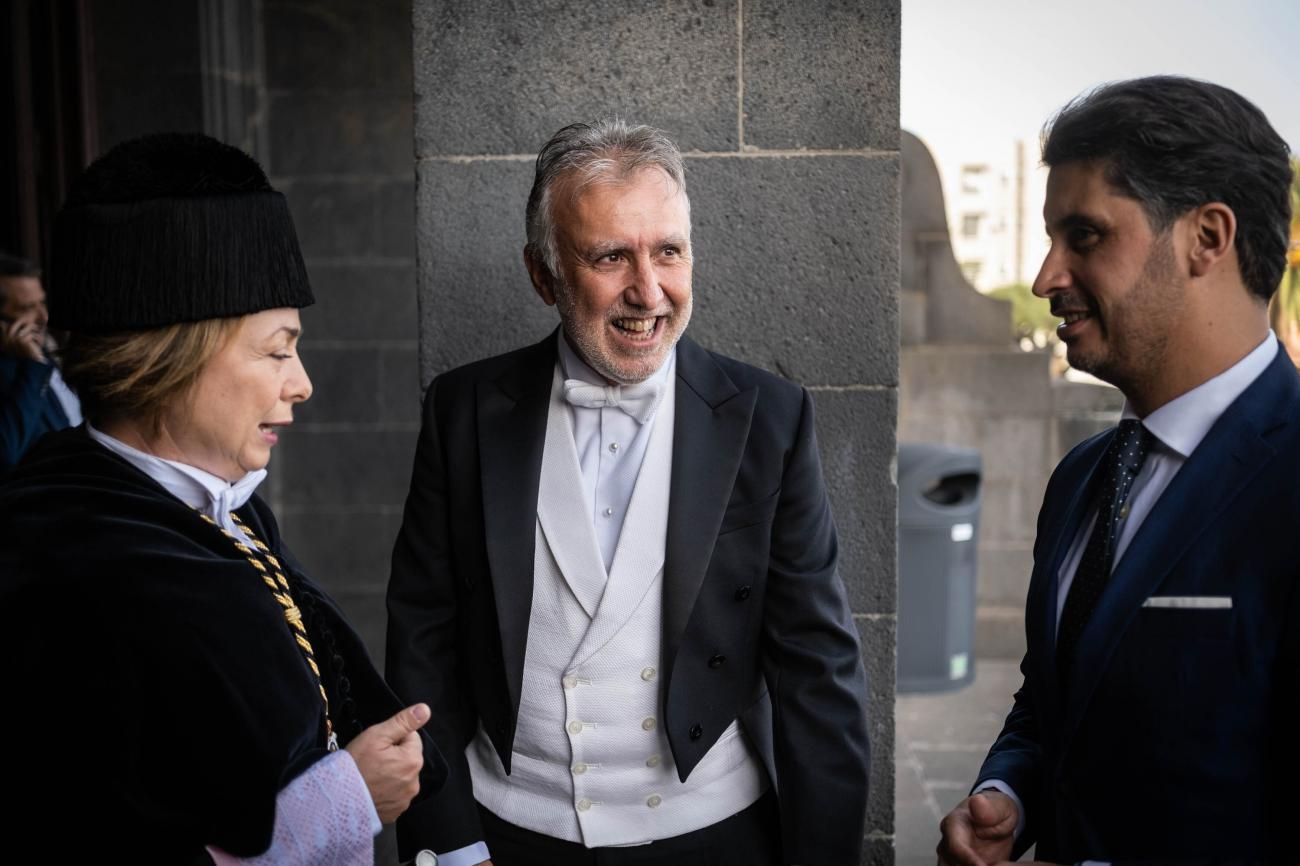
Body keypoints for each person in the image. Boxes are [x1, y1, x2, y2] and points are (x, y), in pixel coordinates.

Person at [386, 120, 870, 866]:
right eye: (611, 256)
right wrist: (446, 841)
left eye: (668, 252)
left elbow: (817, 670)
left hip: (714, 837)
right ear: (544, 274)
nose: (649, 292)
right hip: (507, 836)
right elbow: (423, 639)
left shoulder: (769, 417)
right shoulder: (462, 410)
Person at [0, 133, 445, 863]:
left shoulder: (222, 509)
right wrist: (348, 799)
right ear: (169, 360)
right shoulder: (59, 567)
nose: (300, 383)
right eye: (277, 350)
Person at [937, 76, 1298, 865]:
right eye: (1049, 238)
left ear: (1207, 237)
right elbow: (1059, 695)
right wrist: (1011, 792)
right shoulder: (1082, 476)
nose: (1044, 279)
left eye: (1086, 236)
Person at [0, 251, 81, 470]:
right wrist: (32, 366)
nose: (43, 316)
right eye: (27, 308)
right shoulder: (30, 364)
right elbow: (7, 451)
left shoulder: (44, 352)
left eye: (42, 303)